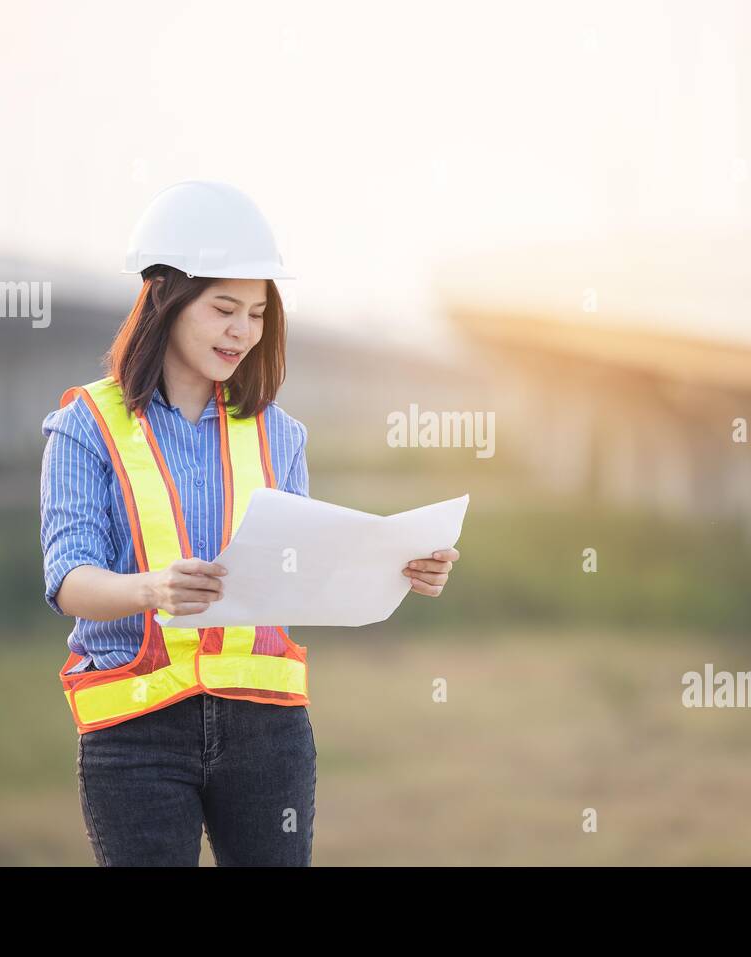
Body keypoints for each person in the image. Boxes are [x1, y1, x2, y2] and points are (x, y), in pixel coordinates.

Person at [38, 181, 460, 866]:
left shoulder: (279, 435)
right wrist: (153, 589)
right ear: (167, 300)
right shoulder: (86, 426)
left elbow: (301, 571)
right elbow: (68, 577)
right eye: (224, 308)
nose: (243, 331)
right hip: (135, 730)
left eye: (258, 313)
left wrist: (400, 566)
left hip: (267, 729)